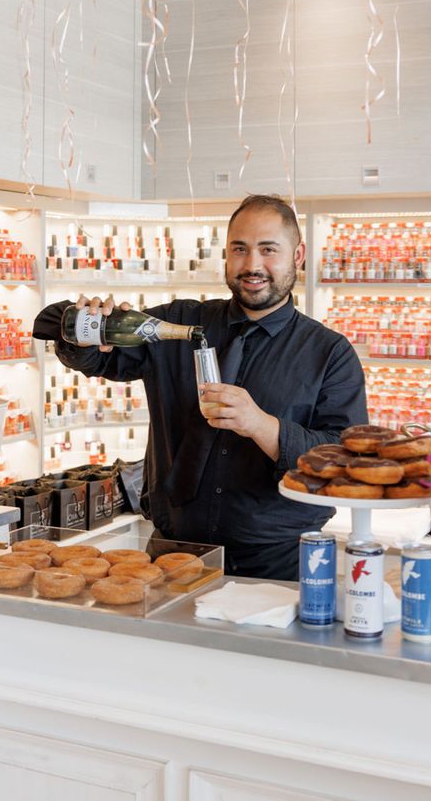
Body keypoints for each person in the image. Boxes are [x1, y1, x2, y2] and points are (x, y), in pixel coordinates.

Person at [33, 194, 368, 581]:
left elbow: (344, 463)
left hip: (277, 561)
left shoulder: (329, 353)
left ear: (298, 254)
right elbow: (100, 360)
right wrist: (85, 330)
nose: (252, 265)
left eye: (268, 250)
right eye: (239, 249)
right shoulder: (179, 322)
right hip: (169, 556)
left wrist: (261, 425)